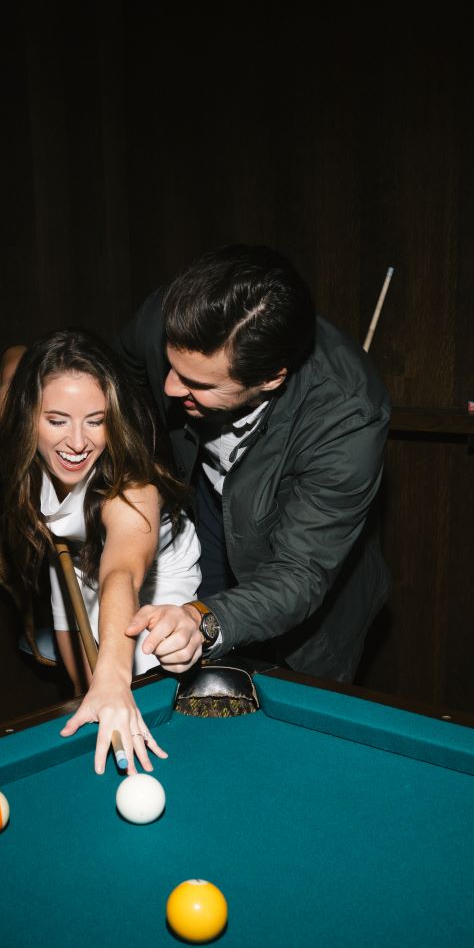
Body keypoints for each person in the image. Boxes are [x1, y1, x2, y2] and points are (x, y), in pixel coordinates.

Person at [113, 244, 391, 682]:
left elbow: (299, 573)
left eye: (196, 383)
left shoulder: (347, 417)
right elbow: (124, 374)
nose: (169, 387)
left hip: (300, 579)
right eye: (170, 365)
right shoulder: (165, 316)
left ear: (270, 379)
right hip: (203, 508)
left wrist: (203, 622)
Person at [0, 328, 201, 774]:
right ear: (27, 412)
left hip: (151, 575)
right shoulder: (13, 414)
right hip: (74, 551)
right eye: (56, 420)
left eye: (96, 419)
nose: (76, 442)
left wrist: (112, 676)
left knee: (126, 681)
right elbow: (14, 354)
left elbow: (121, 573)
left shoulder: (132, 486)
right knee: (79, 685)